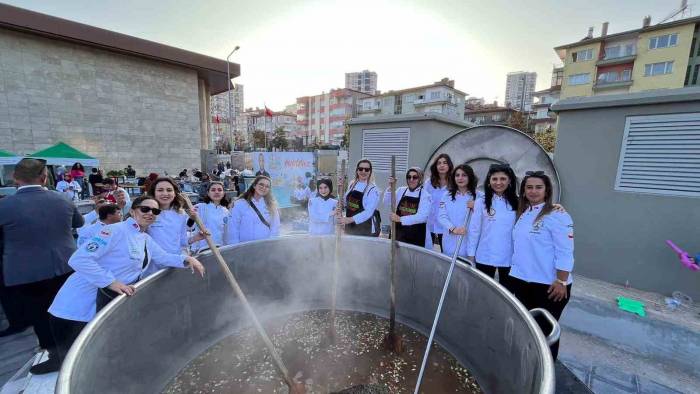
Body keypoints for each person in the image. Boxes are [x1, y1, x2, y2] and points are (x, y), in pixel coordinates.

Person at [48, 196, 206, 370]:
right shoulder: (114, 231)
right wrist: (111, 282)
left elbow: (164, 257)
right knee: (78, 367)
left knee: (100, 363)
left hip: (103, 305)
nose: (150, 213)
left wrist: (188, 259)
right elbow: (79, 259)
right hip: (76, 309)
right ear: (132, 211)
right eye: (145, 209)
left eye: (155, 211)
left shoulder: (144, 238)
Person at [0, 158, 84, 374]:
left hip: (27, 272)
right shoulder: (62, 199)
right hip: (66, 265)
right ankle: (77, 352)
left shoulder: (5, 205)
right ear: (44, 177)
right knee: (68, 309)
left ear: (15, 178)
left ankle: (56, 356)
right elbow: (79, 223)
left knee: (40, 315)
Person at [507, 171, 574, 360]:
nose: (533, 191)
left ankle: (547, 370)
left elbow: (565, 251)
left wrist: (561, 280)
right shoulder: (524, 213)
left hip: (549, 285)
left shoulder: (558, 215)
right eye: (529, 187)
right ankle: (528, 366)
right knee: (527, 329)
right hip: (523, 281)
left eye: (538, 187)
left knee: (546, 334)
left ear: (547, 190)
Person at [466, 163, 519, 285]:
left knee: (507, 293)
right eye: (494, 179)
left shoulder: (518, 201)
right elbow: (474, 230)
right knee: (482, 290)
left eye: (503, 179)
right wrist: (471, 254)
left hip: (509, 257)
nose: (498, 182)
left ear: (509, 181)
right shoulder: (481, 202)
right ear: (489, 181)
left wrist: (555, 207)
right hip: (485, 255)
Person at [144, 178, 204, 277]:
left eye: (169, 190)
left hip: (175, 263)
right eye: (160, 190)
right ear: (153, 193)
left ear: (175, 193)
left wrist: (195, 238)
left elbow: (181, 241)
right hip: (153, 265)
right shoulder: (147, 213)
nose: (165, 193)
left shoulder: (180, 214)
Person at [384, 167, 432, 248]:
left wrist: (400, 219)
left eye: (415, 177)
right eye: (409, 177)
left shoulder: (425, 196)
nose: (411, 179)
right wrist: (390, 187)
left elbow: (422, 217)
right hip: (399, 235)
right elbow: (387, 201)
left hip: (416, 238)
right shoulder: (401, 191)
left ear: (420, 179)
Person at [438, 164, 478, 259]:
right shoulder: (446, 196)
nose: (460, 178)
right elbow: (441, 216)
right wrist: (453, 229)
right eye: (457, 175)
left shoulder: (479, 197)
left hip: (470, 244)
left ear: (470, 177)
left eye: (464, 175)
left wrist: (477, 207)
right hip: (450, 242)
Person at [226, 176, 280, 244]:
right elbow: (233, 227)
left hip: (265, 246)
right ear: (254, 185)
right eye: (261, 184)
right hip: (244, 247)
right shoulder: (240, 203)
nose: (264, 188)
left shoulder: (271, 205)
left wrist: (271, 243)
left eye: (267, 186)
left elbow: (275, 226)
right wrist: (234, 246)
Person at [338, 159, 381, 237]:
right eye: (360, 169)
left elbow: (368, 212)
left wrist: (349, 219)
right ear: (357, 170)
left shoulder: (373, 190)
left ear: (370, 172)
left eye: (367, 169)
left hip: (366, 229)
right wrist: (340, 188)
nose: (363, 171)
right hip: (350, 227)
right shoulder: (352, 184)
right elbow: (345, 203)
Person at [425, 154, 453, 251]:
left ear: (449, 166)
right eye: (439, 163)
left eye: (445, 163)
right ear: (435, 166)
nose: (442, 165)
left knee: (446, 251)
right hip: (431, 221)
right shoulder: (429, 182)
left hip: (446, 223)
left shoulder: (454, 183)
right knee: (428, 250)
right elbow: (424, 200)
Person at [191, 182, 231, 252]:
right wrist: (191, 217)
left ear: (224, 193)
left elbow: (226, 234)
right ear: (208, 193)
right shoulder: (199, 207)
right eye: (213, 190)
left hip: (219, 248)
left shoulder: (226, 212)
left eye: (219, 190)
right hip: (201, 249)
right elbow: (189, 227)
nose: (216, 192)